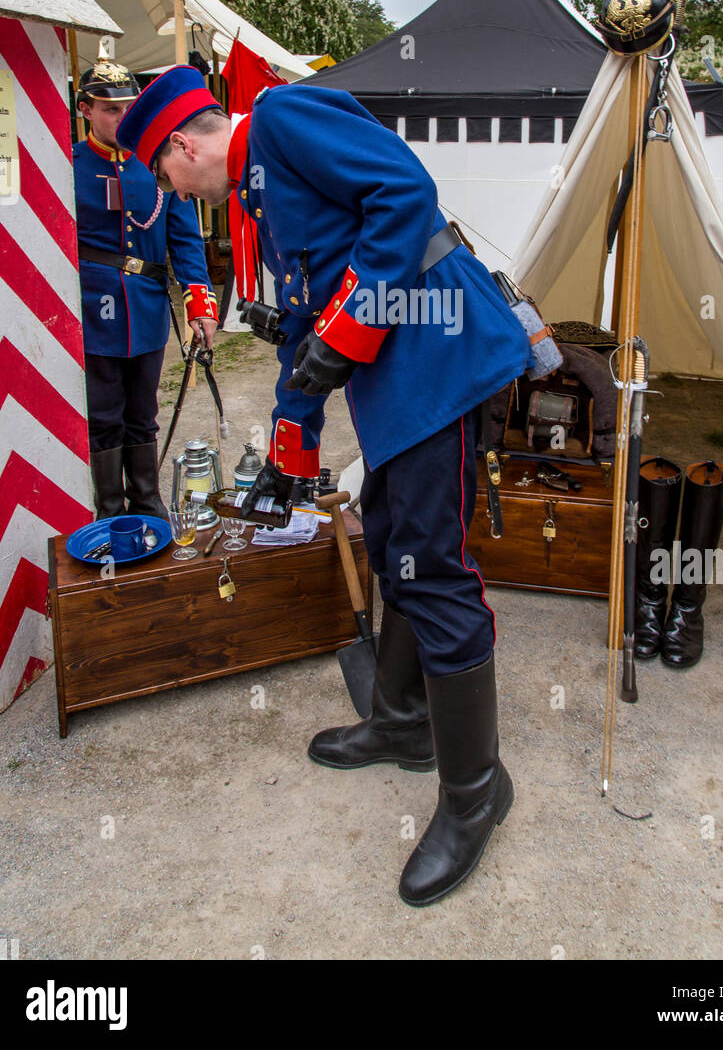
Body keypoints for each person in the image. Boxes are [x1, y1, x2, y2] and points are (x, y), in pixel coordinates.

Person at [117, 65, 532, 906]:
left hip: (442, 362)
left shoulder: (283, 117)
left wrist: (345, 334)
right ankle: (405, 721)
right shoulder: (261, 192)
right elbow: (306, 318)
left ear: (184, 144)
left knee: (432, 567)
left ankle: (475, 792)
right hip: (402, 384)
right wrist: (289, 444)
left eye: (164, 171)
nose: (172, 188)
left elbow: (406, 196)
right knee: (387, 539)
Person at [73, 57, 219, 520]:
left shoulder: (156, 163)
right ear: (85, 110)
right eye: (109, 109)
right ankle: (110, 509)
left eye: (127, 107)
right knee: (103, 414)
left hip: (149, 308)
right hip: (93, 310)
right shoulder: (66, 166)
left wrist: (200, 303)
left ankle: (147, 499)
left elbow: (186, 240)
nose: (121, 117)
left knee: (143, 410)